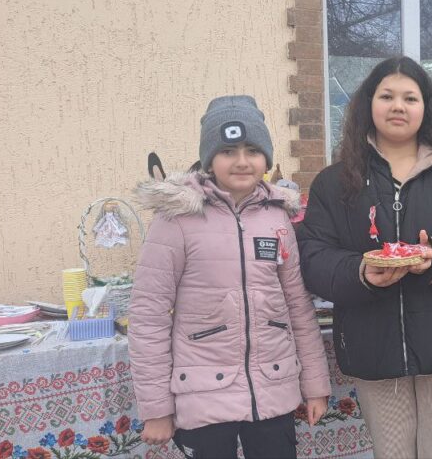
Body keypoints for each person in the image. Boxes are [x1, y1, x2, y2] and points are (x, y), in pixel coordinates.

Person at [297, 56, 432, 458]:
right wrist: (361, 271)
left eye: (410, 98)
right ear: (369, 105)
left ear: (426, 107)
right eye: (387, 96)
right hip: (374, 350)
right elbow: (313, 255)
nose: (398, 106)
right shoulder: (335, 181)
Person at [129, 95, 331, 458]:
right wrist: (157, 408)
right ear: (209, 159)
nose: (241, 162)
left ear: (266, 158)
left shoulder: (277, 216)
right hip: (204, 398)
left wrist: (315, 385)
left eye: (252, 150)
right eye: (228, 151)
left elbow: (298, 306)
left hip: (273, 391)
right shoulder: (177, 218)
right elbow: (149, 316)